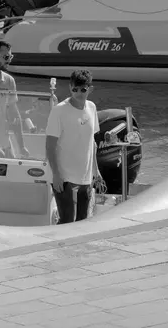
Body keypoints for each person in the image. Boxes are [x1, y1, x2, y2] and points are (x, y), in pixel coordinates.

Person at [45, 69, 103, 224]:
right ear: (70, 87)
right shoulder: (59, 111)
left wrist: (96, 172)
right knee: (67, 220)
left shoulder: (92, 107)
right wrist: (56, 174)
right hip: (63, 176)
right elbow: (50, 146)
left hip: (85, 176)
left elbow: (92, 142)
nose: (78, 93)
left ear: (90, 89)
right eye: (74, 89)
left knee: (83, 221)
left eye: (83, 89)